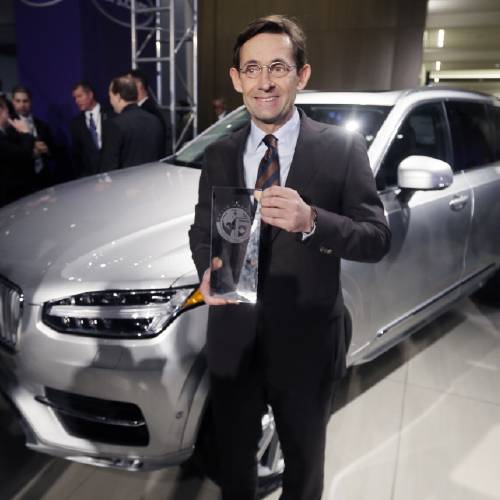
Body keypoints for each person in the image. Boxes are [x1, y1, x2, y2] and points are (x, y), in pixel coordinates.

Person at [189, 15, 391, 500]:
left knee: (301, 468)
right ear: (236, 79)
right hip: (233, 341)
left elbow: (376, 237)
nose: (265, 82)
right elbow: (202, 229)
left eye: (278, 67)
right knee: (234, 465)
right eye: (252, 69)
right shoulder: (220, 153)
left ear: (301, 75)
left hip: (306, 344)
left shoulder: (341, 148)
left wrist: (312, 221)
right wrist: (209, 270)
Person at [100, 75, 163, 171]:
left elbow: (109, 166)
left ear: (118, 97)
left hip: (125, 184)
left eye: (110, 96)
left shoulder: (115, 125)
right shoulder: (154, 120)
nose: (110, 101)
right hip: (151, 182)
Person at [12, 85, 55, 190]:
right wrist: (32, 152)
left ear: (31, 102)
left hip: (44, 179)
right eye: (18, 101)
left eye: (25, 101)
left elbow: (53, 151)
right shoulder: (10, 126)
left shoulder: (42, 125)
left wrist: (47, 149)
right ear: (13, 102)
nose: (22, 105)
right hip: (22, 183)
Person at [70, 81, 112, 178]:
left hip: (114, 175)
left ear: (90, 94)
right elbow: (77, 156)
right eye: (75, 98)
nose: (76, 101)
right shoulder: (75, 124)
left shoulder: (111, 114)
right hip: (90, 179)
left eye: (79, 96)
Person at [0, 95, 36, 206]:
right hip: (10, 197)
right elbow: (23, 155)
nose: (9, 113)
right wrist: (25, 132)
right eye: (7, 109)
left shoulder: (6, 132)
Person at [128, 68, 171, 155]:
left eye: (128, 84)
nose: (125, 89)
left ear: (138, 85)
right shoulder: (144, 109)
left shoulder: (149, 112)